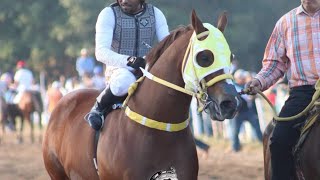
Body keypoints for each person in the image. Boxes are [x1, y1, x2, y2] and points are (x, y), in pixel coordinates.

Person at [245, 1, 320, 179]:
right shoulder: (285, 23)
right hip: (303, 94)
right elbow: (275, 64)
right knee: (278, 142)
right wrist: (258, 81)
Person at [85, 0, 169, 131]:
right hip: (118, 68)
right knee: (125, 81)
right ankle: (98, 108)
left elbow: (167, 46)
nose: (123, 0)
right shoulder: (108, 14)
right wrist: (129, 60)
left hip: (147, 68)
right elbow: (100, 52)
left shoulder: (156, 14)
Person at [230, 69, 262, 152]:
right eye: (242, 77)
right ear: (237, 78)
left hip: (248, 111)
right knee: (235, 131)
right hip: (238, 112)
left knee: (257, 128)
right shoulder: (233, 87)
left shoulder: (246, 86)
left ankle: (263, 143)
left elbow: (251, 98)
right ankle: (235, 148)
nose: (244, 78)